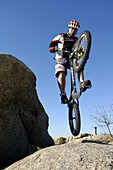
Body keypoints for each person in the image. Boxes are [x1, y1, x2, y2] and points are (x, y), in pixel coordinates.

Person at [49, 20, 91, 104]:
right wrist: (52, 48)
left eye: (75, 30)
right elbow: (52, 43)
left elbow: (81, 50)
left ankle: (82, 83)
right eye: (72, 29)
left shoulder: (76, 40)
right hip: (61, 58)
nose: (73, 31)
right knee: (61, 73)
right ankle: (63, 94)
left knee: (79, 66)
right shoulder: (61, 36)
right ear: (69, 28)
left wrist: (84, 54)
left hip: (71, 59)